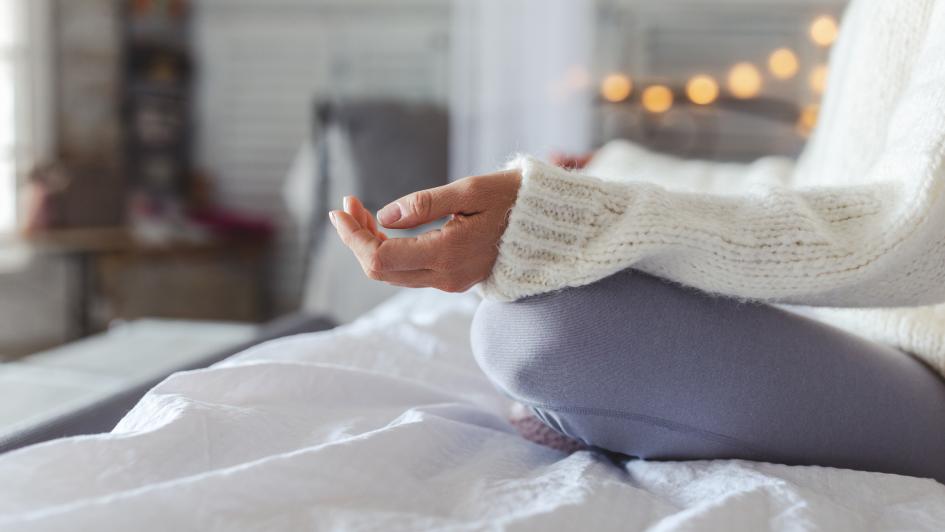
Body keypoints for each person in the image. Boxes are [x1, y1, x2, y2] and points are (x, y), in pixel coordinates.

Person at [330, 0, 945, 483]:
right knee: (531, 309)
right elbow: (826, 186)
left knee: (537, 329)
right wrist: (607, 170)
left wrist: (574, 216)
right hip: (850, 320)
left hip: (929, 370)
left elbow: (914, 232)